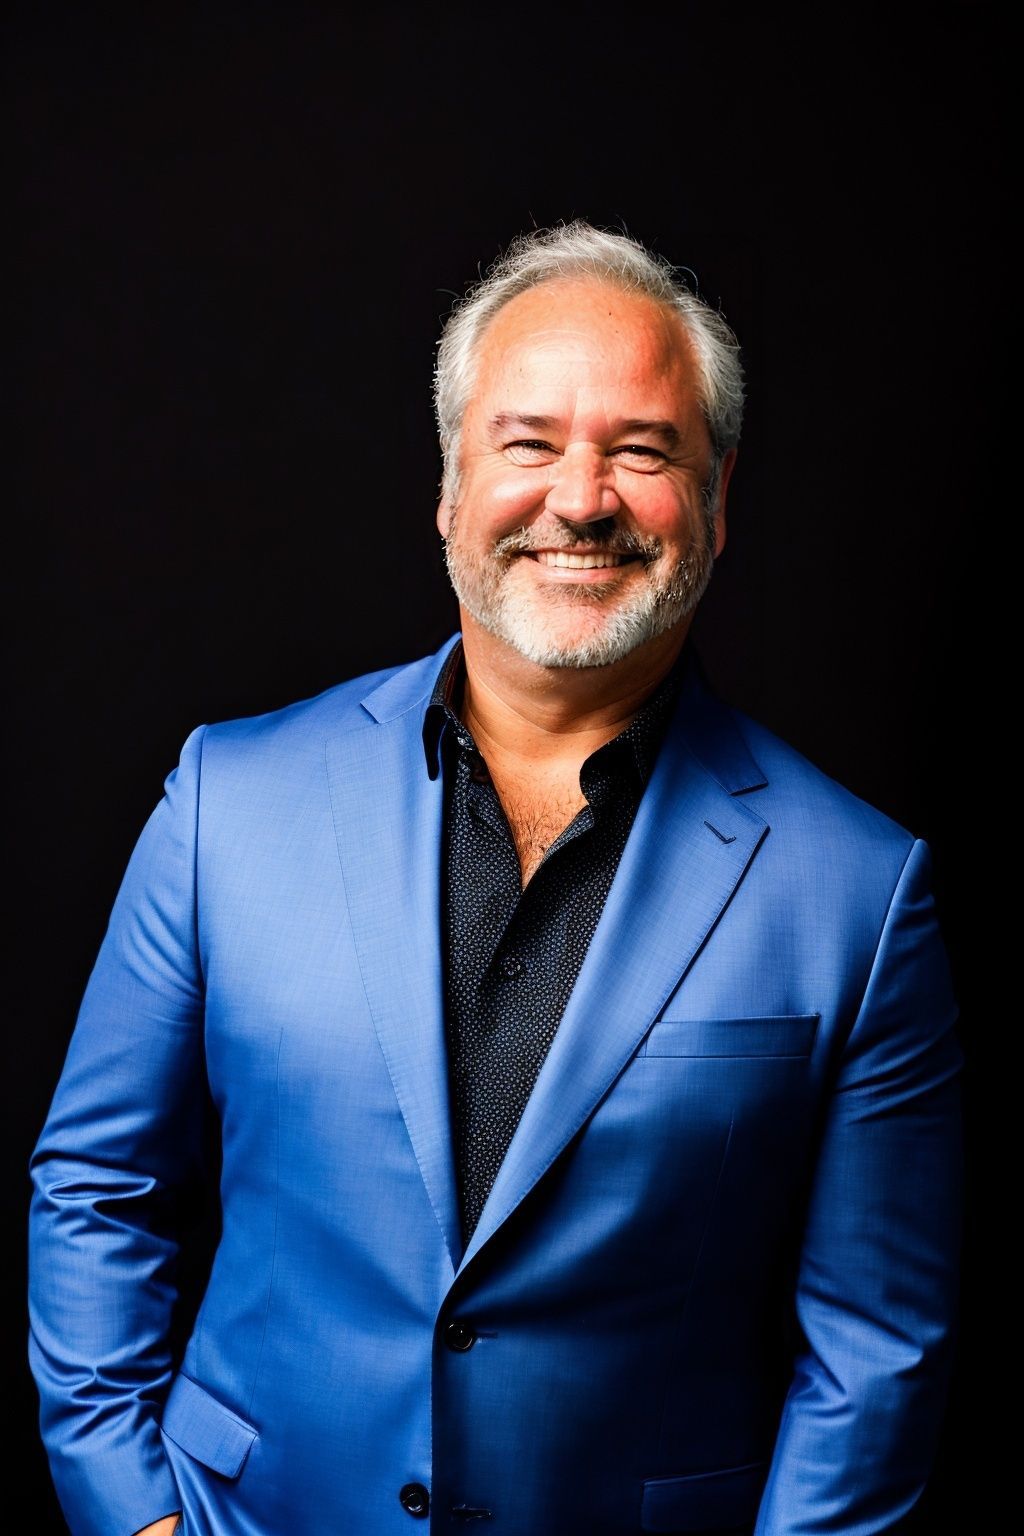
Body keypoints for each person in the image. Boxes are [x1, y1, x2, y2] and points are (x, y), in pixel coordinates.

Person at [28, 222, 963, 1536]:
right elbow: (95, 1188)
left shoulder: (861, 893)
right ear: (452, 484)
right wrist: (135, 1515)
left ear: (718, 498)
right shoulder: (224, 804)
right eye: (529, 443)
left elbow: (874, 1355)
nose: (580, 497)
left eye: (642, 450)